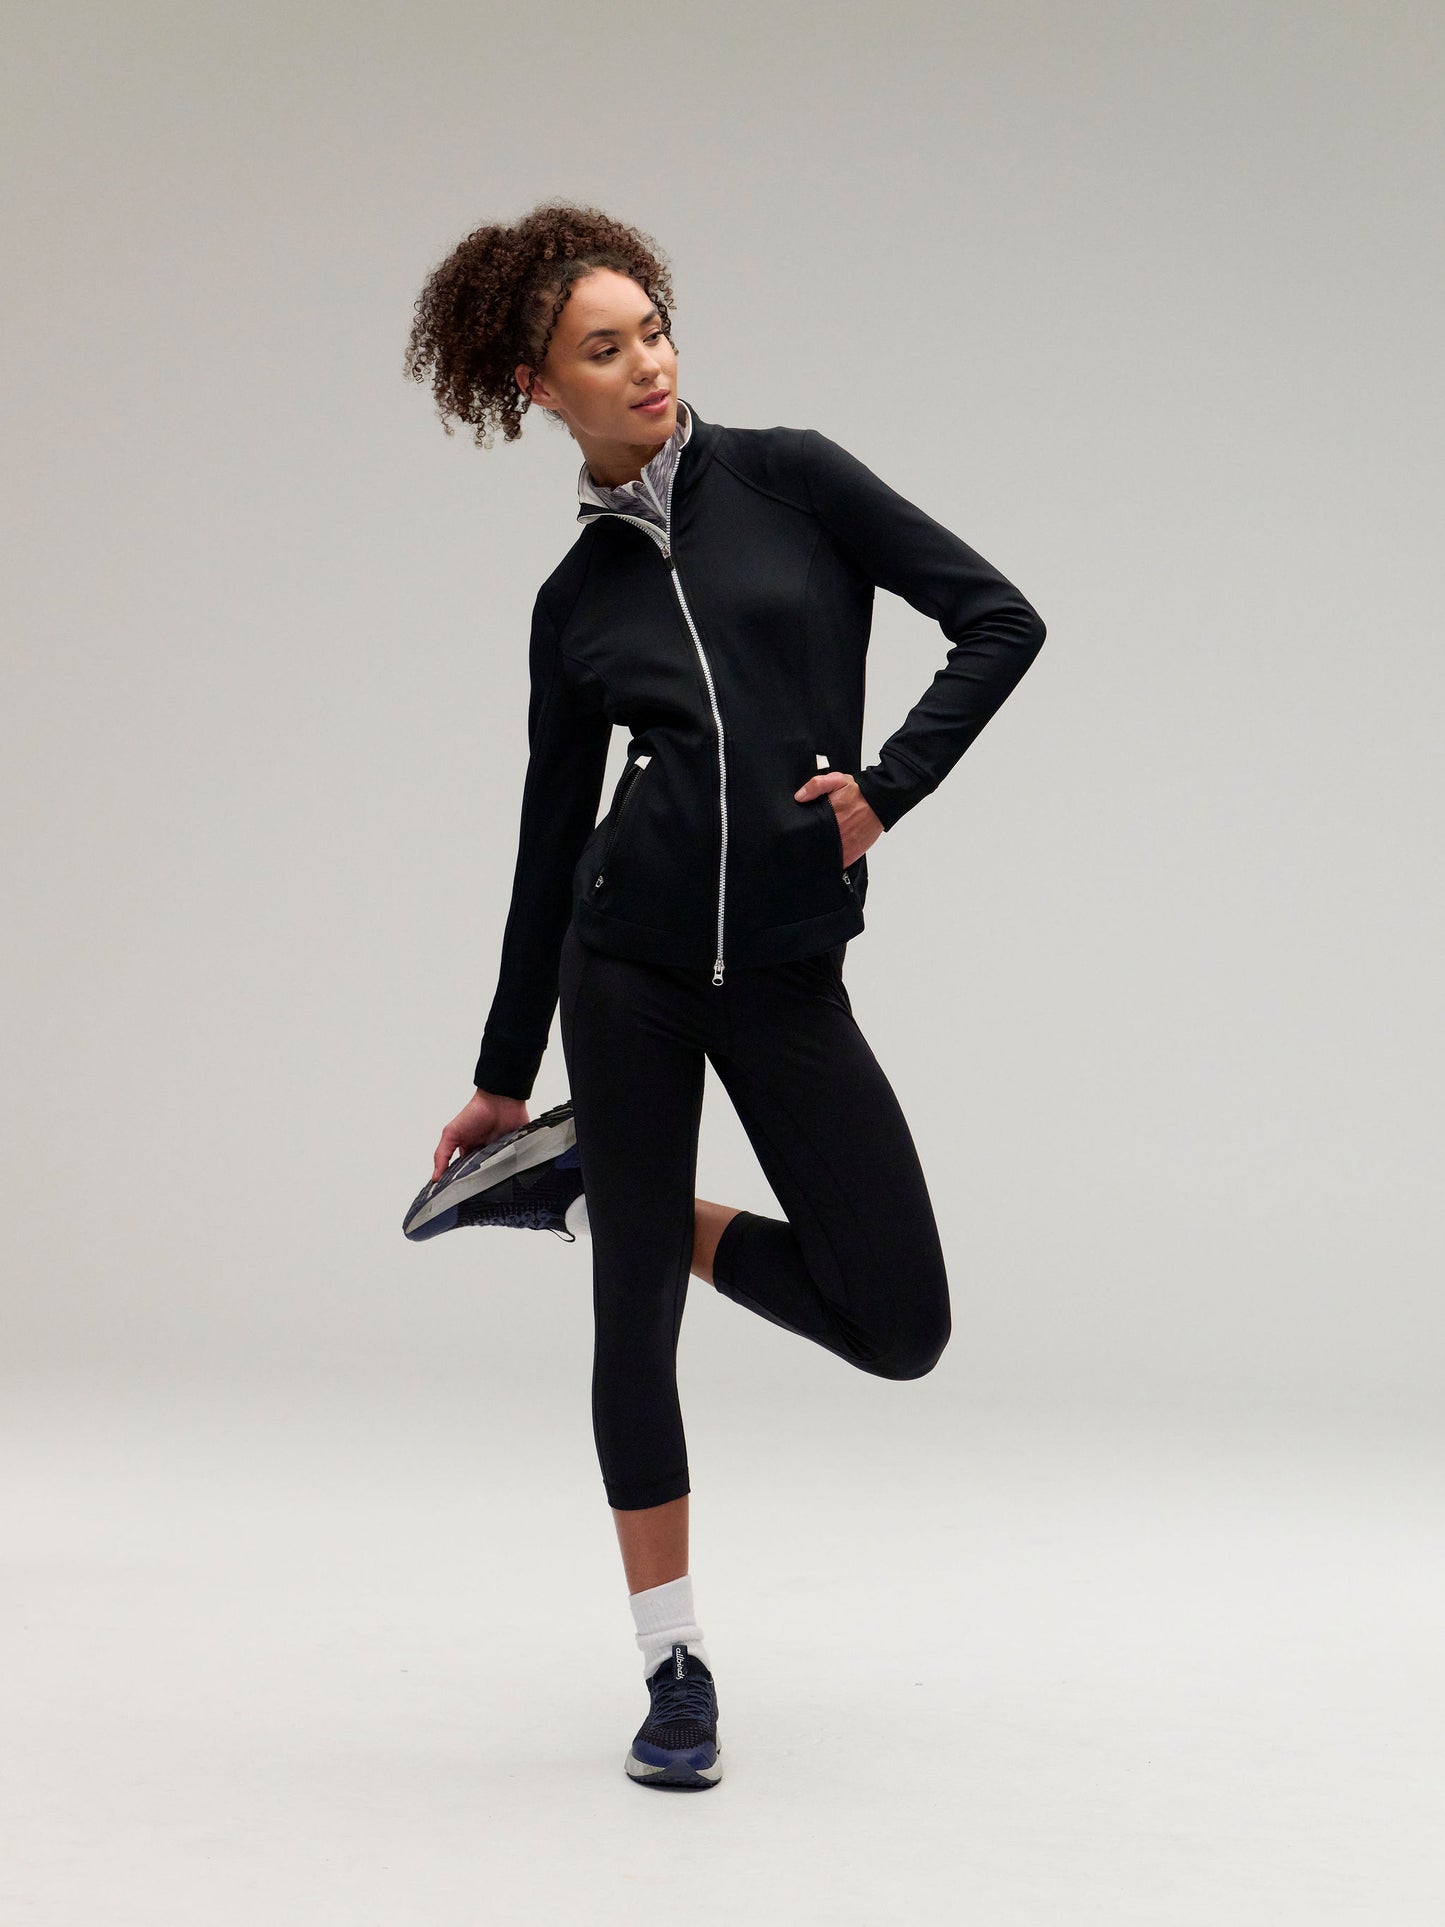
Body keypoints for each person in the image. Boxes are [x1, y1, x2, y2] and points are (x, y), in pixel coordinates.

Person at [403, 200, 1047, 1789]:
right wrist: (500, 1071)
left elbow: (998, 618)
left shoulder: (792, 480)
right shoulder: (573, 604)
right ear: (536, 386)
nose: (648, 366)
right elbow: (548, 839)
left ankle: (605, 1189)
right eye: (603, 349)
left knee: (898, 1321)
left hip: (781, 973)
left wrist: (886, 786)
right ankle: (672, 1664)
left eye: (654, 331)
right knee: (633, 1326)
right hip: (621, 973)